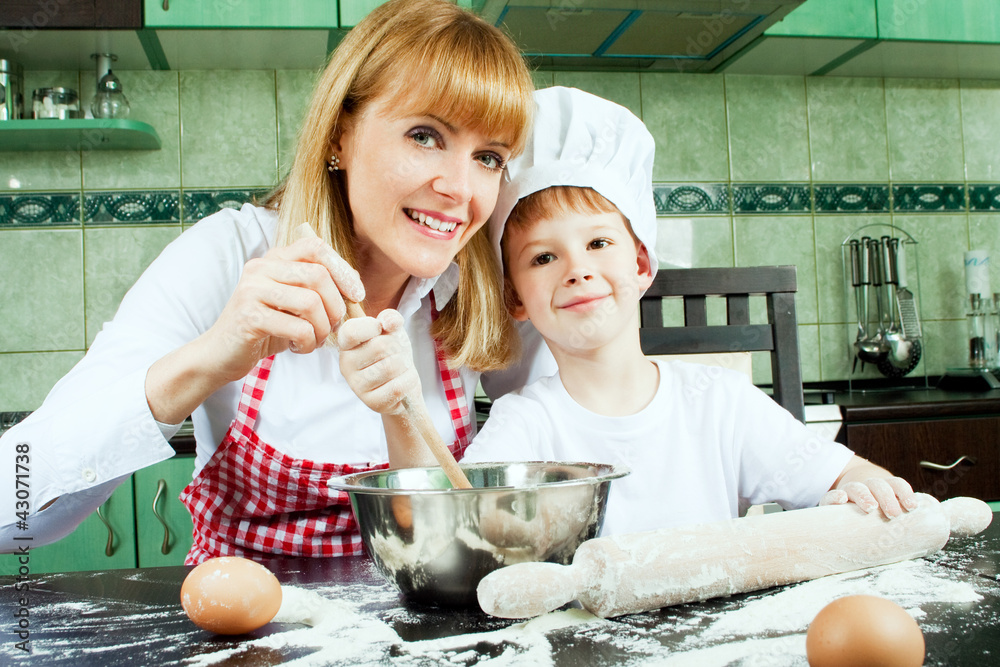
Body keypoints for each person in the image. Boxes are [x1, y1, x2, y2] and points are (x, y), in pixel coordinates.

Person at [0, 0, 555, 563]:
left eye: (489, 157)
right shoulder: (228, 255)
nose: (461, 189)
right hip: (244, 643)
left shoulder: (479, 286)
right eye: (425, 136)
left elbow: (560, 469)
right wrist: (213, 356)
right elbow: (12, 513)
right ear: (340, 135)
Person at [369, 86, 918, 536]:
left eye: (598, 244)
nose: (577, 270)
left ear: (640, 262)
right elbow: (455, 530)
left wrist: (861, 483)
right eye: (543, 257)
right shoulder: (528, 425)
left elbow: (841, 472)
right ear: (516, 298)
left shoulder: (719, 405)